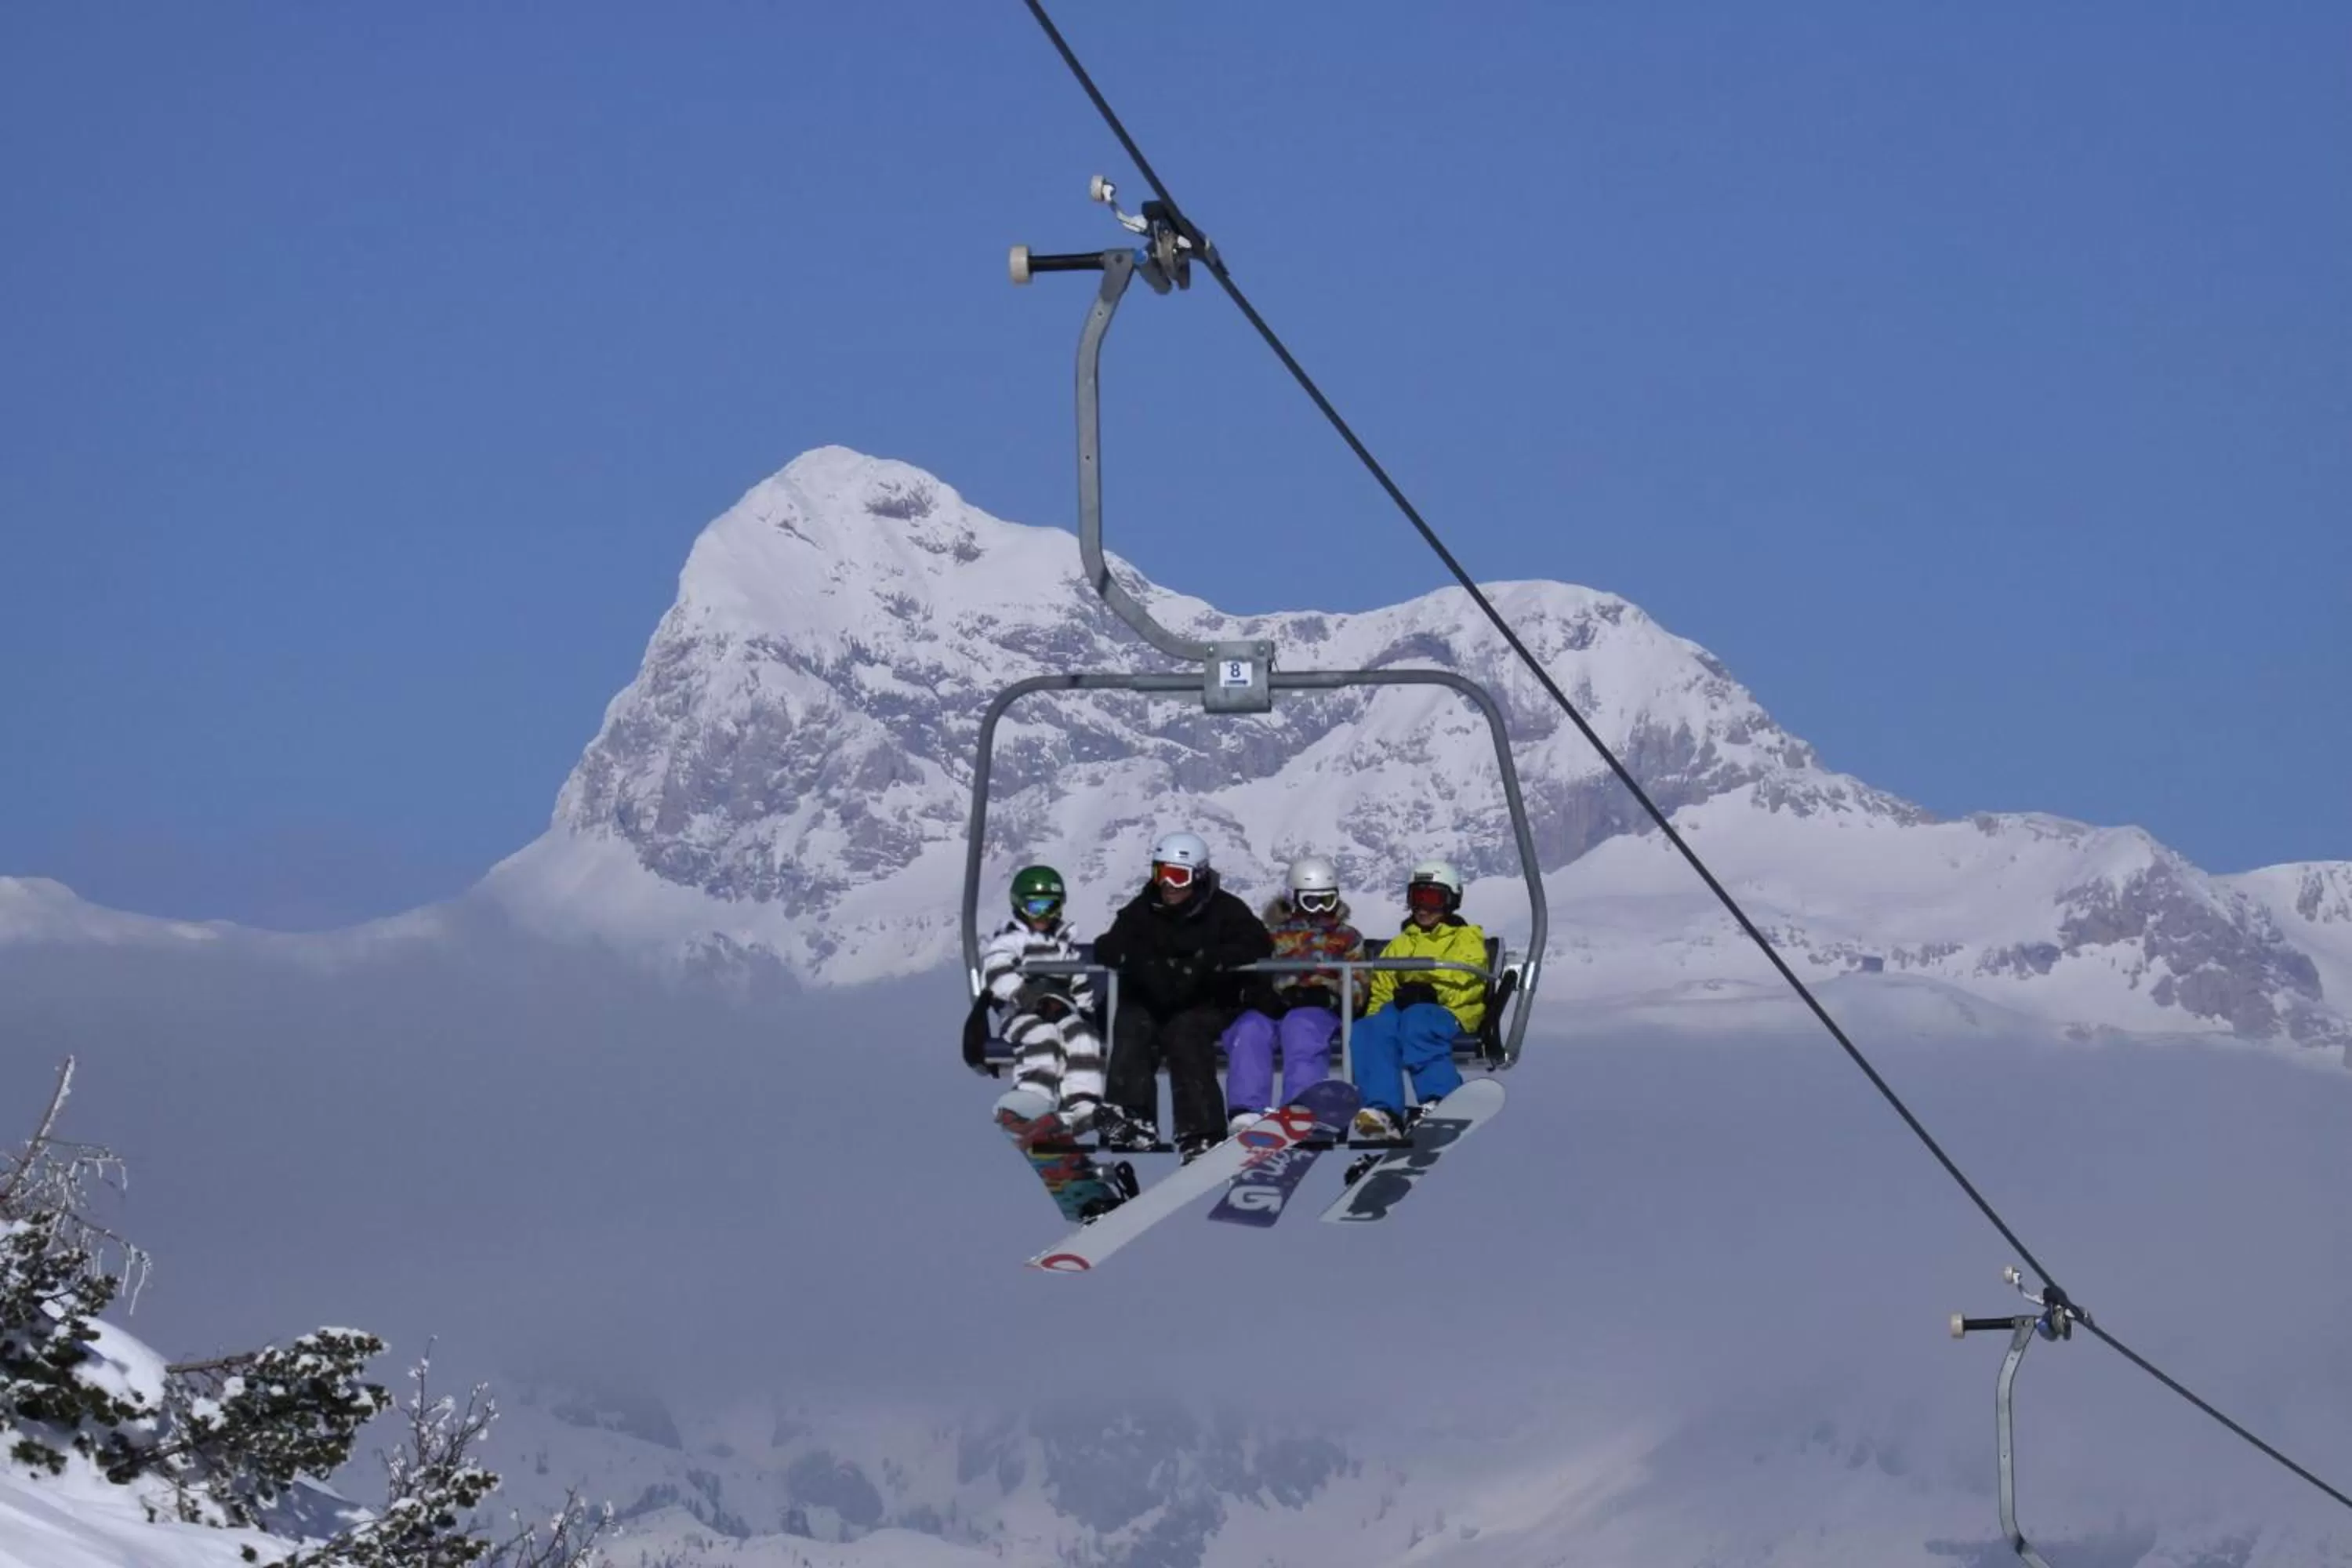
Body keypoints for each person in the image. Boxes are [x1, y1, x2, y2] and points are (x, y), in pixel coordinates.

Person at [1093, 830, 1273, 1162]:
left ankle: (1201, 1131)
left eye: (1178, 876)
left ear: (1199, 876)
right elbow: (1109, 944)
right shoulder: (1144, 909)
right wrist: (1137, 961)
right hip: (1155, 999)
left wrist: (1212, 961)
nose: (1169, 886)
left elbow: (1257, 943)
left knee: (1185, 1032)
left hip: (1208, 1001)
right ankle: (1133, 1115)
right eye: (1162, 874)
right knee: (1133, 1020)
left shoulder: (1224, 910)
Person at [1218, 855, 1365, 1132]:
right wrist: (1257, 994)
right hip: (1274, 1007)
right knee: (1249, 1029)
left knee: (1301, 1027)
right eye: (1312, 901)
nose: (1320, 909)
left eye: (1328, 901)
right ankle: (1247, 1110)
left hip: (1318, 1009)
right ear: (1292, 898)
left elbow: (1358, 985)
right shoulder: (1269, 935)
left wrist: (1328, 994)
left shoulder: (1346, 937)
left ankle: (1300, 1106)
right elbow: (1249, 971)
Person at [1350, 859, 1486, 1141]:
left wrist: (1431, 992)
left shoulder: (1466, 937)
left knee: (1418, 1020)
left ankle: (1439, 1097)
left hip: (1450, 1010)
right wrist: (1378, 1015)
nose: (1423, 908)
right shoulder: (1403, 941)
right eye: (1417, 898)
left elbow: (1469, 979)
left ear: (1451, 901)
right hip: (1406, 1011)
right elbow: (1383, 983)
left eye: (1433, 899)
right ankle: (1383, 1110)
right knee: (1369, 1029)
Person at [978, 864, 1105, 1133]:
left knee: (1083, 1037)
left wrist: (1085, 1012)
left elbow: (1079, 982)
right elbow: (996, 971)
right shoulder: (1010, 941)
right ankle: (1033, 1100)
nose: (1045, 915)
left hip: (1063, 1011)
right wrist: (1025, 995)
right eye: (1037, 908)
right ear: (1020, 907)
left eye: (1052, 907)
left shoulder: (1064, 947)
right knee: (1043, 1036)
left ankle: (1082, 1107)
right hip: (1023, 1014)